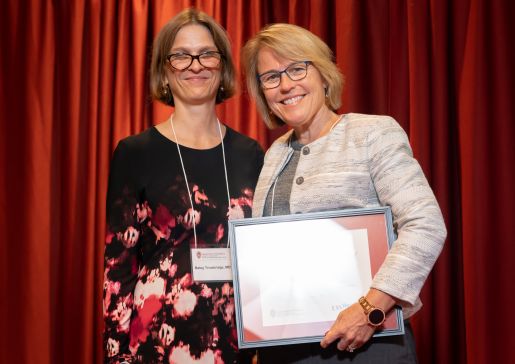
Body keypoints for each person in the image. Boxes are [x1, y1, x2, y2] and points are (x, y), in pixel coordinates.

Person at [241, 23, 446, 363]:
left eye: (296, 68)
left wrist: (370, 309)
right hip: (287, 350)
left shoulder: (372, 133)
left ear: (322, 74)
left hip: (367, 344)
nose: (286, 84)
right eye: (271, 77)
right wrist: (259, 332)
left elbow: (426, 224)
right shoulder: (274, 153)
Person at [102, 8, 264, 363]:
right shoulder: (134, 152)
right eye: (181, 55)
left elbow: (263, 261)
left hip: (235, 342)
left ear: (222, 67)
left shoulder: (251, 154)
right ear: (163, 69)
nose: (196, 65)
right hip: (156, 344)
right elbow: (118, 271)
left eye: (207, 53)